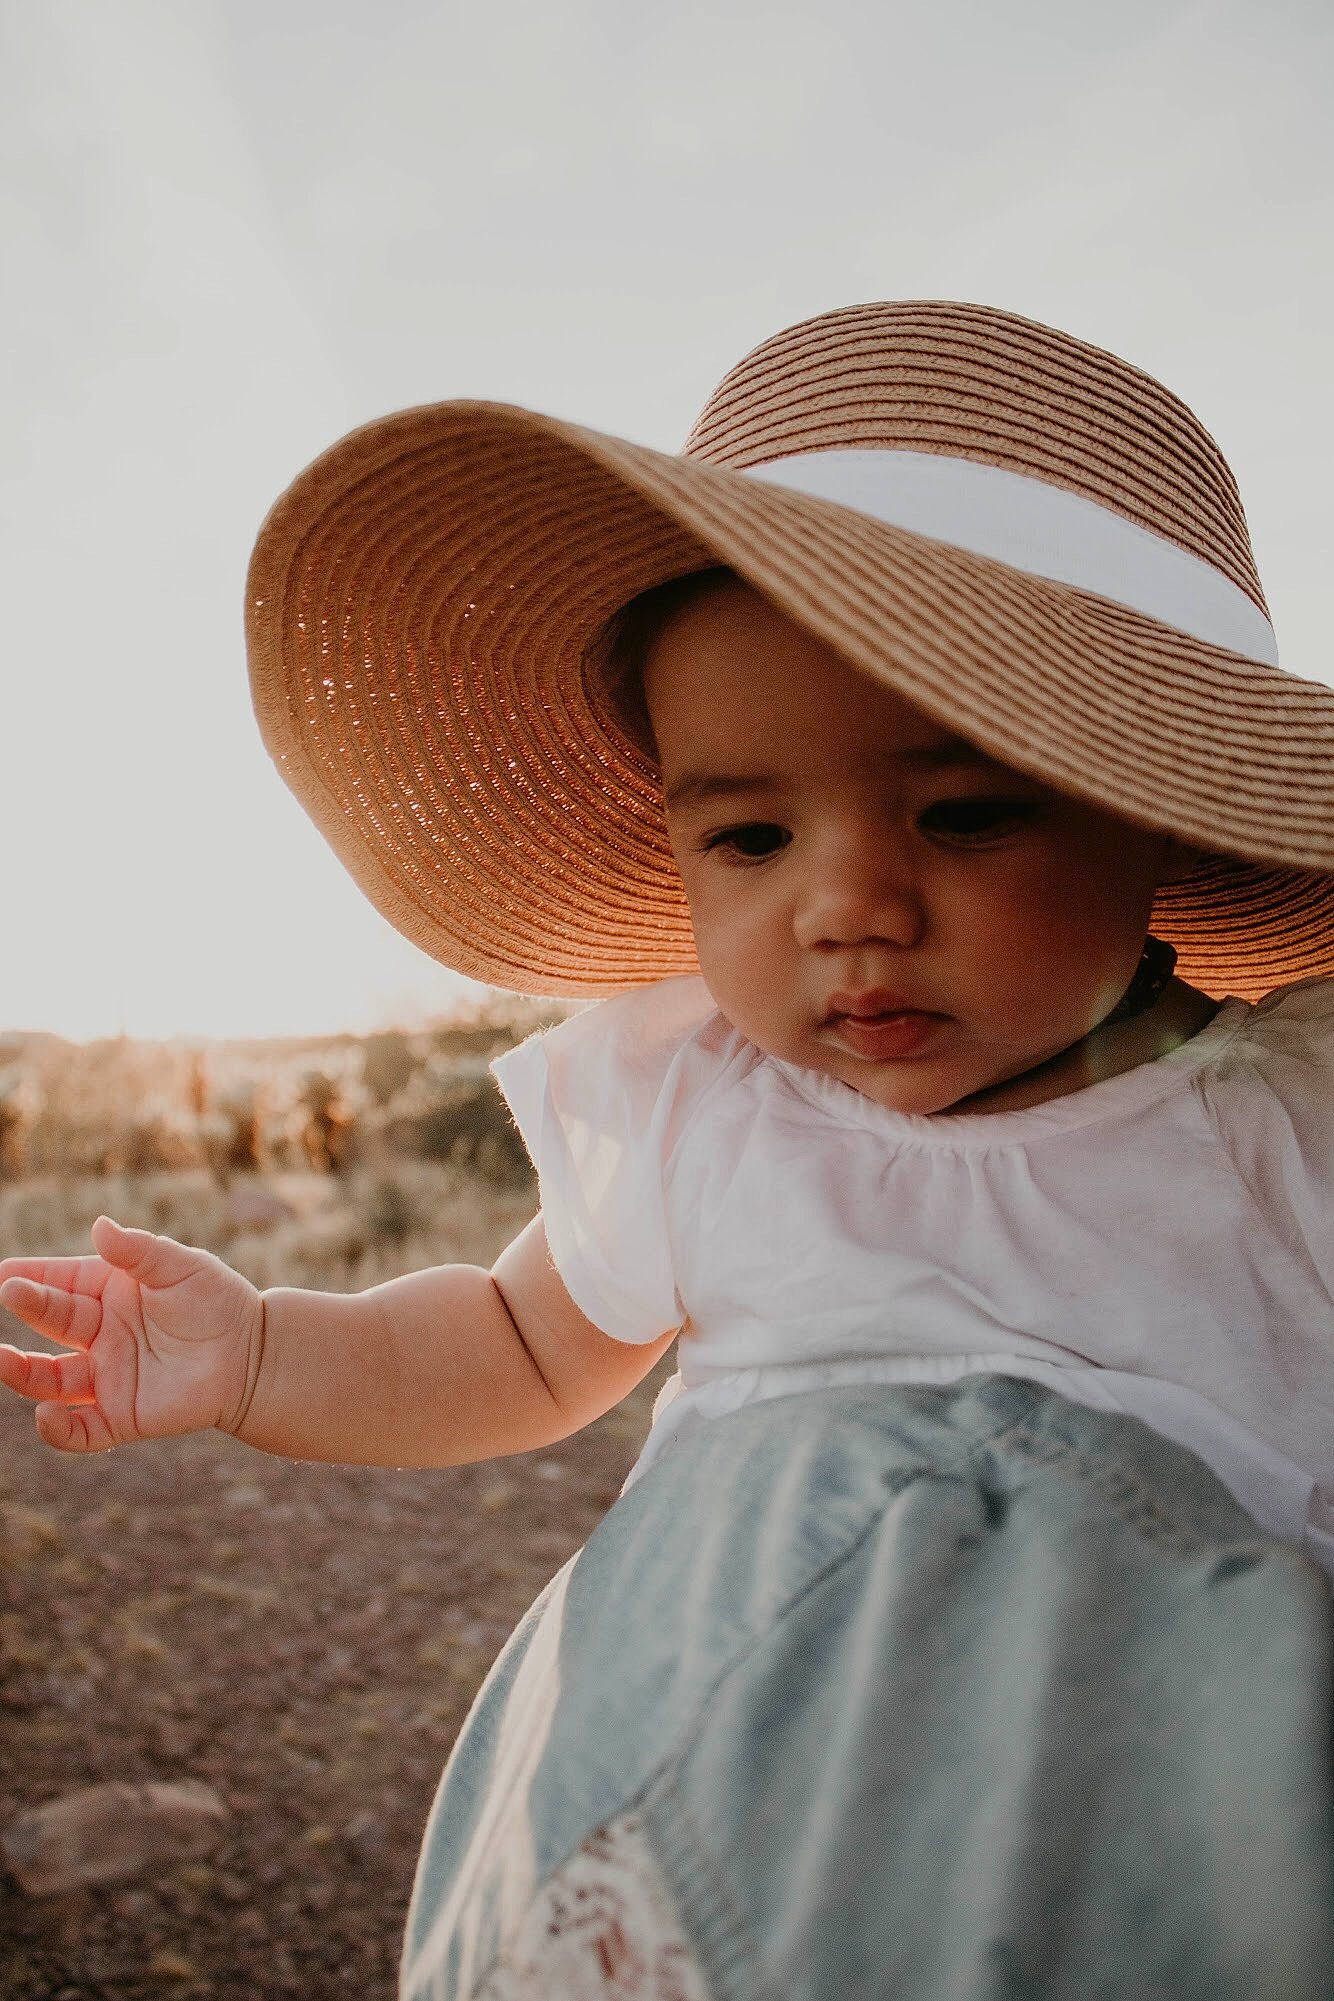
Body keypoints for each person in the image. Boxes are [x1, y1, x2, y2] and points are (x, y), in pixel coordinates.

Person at [3, 301, 1334, 1998]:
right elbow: (509, 1342)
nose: (843, 905)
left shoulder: (1278, 1143)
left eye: (962, 810)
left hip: (1113, 1892)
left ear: (1155, 809)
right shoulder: (706, 1108)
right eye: (751, 833)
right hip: (671, 1855)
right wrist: (263, 1349)